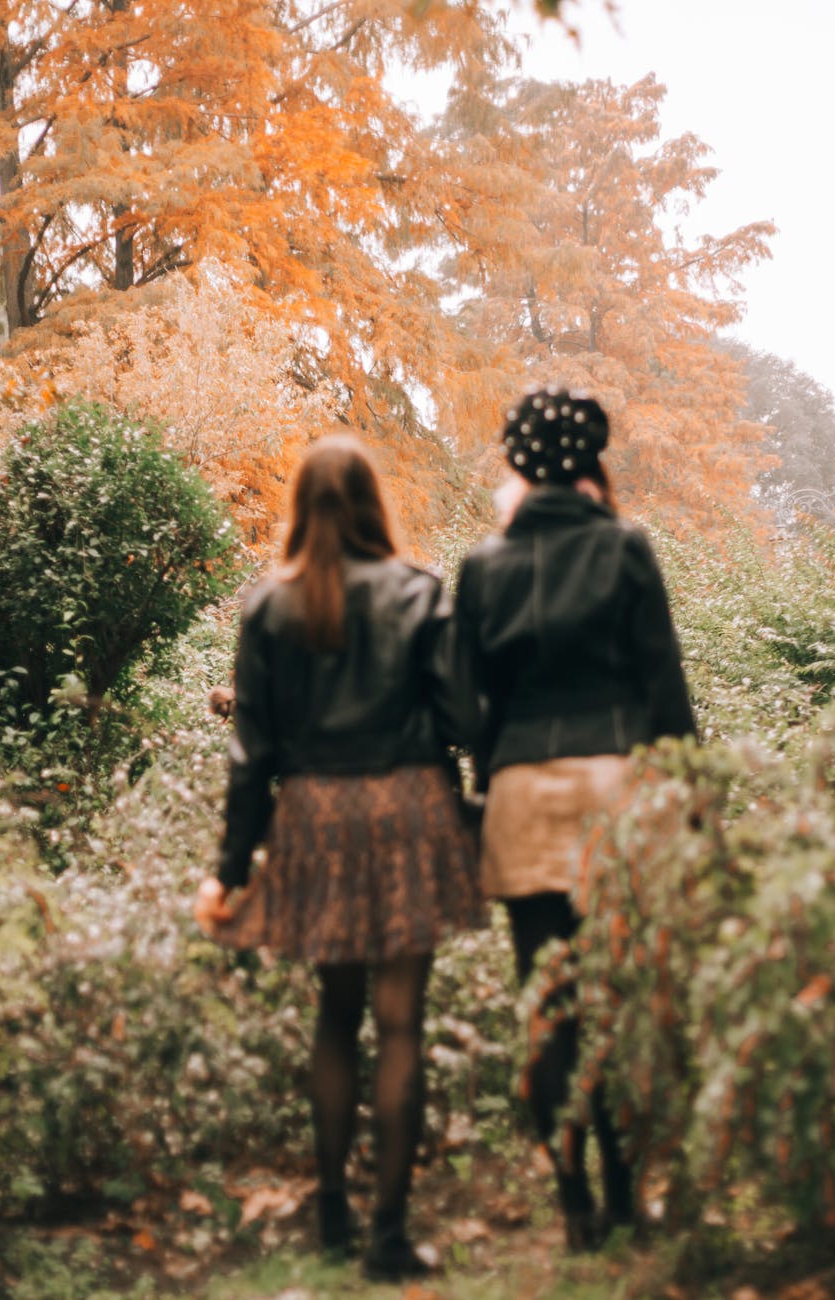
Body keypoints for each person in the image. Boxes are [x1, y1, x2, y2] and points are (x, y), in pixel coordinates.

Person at [194, 433, 483, 1281]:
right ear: (371, 501)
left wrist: (232, 868)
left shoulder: (267, 606)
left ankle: (330, 1212)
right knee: (400, 1024)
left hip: (314, 815)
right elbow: (465, 718)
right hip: (407, 809)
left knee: (334, 1013)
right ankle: (388, 1236)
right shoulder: (418, 592)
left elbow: (254, 757)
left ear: (298, 505)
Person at [455, 386, 696, 1250]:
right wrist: (693, 808)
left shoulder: (482, 568)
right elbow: (664, 689)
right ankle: (628, 1192)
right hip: (617, 786)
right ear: (590, 462)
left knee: (545, 1000)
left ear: (518, 465)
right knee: (618, 991)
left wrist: (485, 781)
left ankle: (574, 1203)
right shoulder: (626, 550)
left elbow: (461, 705)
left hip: (520, 787)